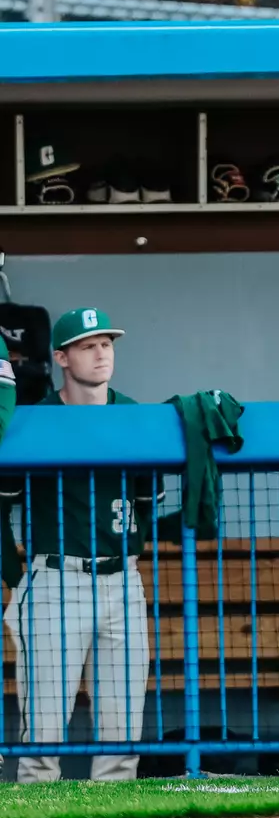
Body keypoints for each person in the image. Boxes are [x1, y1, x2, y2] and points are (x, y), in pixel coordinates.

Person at [3, 308, 154, 783]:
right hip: (54, 579)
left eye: (106, 344)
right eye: (88, 346)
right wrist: (16, 578)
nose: (101, 353)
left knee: (122, 731)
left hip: (122, 579)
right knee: (42, 737)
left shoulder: (135, 415)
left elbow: (147, 502)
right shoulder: (34, 420)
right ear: (62, 358)